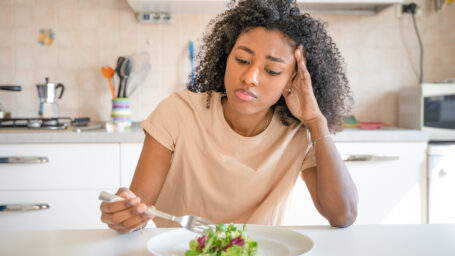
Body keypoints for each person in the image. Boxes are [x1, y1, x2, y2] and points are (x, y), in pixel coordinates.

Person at [100, 0, 358, 234]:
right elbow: (138, 210)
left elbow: (342, 215)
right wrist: (126, 214)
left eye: (272, 70)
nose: (250, 77)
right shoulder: (178, 112)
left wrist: (316, 121)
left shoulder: (298, 131)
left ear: (293, 80)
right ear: (227, 58)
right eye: (243, 60)